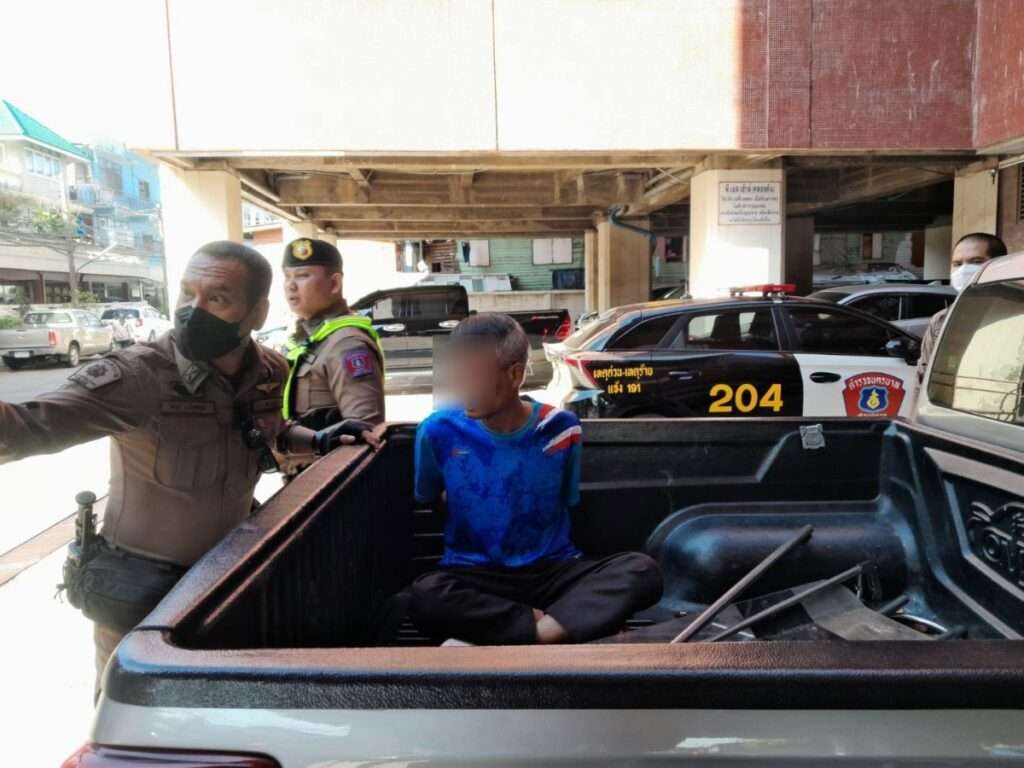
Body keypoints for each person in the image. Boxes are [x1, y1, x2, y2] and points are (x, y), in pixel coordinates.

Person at [0, 241, 362, 692]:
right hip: (140, 595)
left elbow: (269, 432)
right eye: (188, 293)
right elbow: (28, 426)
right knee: (129, 712)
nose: (194, 310)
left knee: (215, 704)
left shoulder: (269, 370)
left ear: (257, 313)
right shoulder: (138, 376)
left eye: (217, 298)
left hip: (224, 585)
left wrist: (319, 439)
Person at [408, 313, 662, 645]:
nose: (462, 388)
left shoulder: (561, 428)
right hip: (476, 574)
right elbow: (430, 498)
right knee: (425, 596)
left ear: (515, 374)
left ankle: (531, 632)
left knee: (642, 570)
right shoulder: (437, 431)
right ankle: (557, 627)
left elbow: (566, 501)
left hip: (552, 571)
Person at [279, 238, 385, 476]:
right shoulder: (308, 339)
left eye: (303, 276)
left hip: (327, 480)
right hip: (302, 476)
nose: (291, 286)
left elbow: (365, 430)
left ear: (334, 283)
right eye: (287, 276)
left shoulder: (346, 344)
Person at [917, 232, 1008, 383]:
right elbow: (923, 376)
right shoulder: (941, 320)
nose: (963, 270)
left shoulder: (1017, 313)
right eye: (957, 264)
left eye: (976, 261)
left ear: (999, 265)